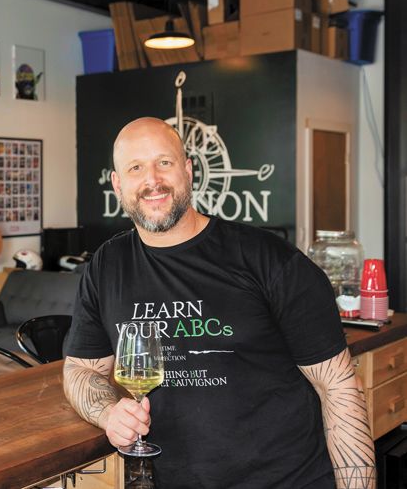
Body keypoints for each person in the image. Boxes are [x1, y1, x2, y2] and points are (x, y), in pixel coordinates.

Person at [63, 117, 375, 488]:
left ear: (189, 170)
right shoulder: (106, 266)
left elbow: (338, 387)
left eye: (165, 162)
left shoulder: (268, 259)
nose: (152, 181)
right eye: (135, 167)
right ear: (117, 184)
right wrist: (108, 413)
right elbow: (80, 370)